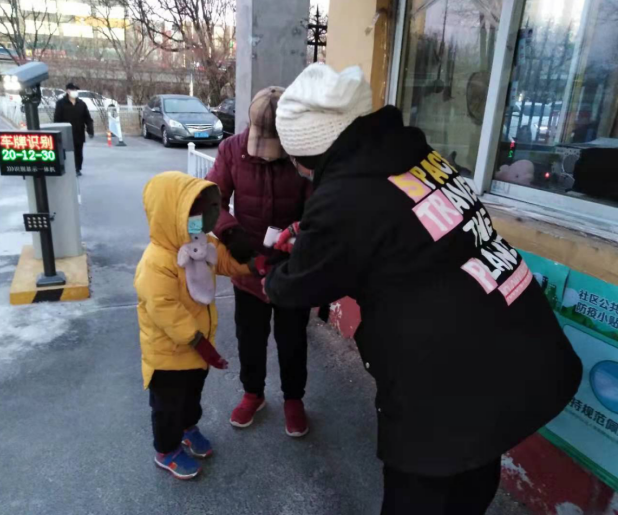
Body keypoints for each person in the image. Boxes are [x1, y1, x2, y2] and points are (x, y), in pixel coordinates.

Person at [265, 64, 583, 514]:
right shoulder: (415, 157)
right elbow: (396, 229)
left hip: (446, 383)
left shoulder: (343, 197)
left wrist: (270, 274)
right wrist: (315, 237)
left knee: (422, 493)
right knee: (475, 469)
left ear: (309, 154)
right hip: (515, 350)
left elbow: (298, 287)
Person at [205, 87, 313, 436]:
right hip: (248, 265)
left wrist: (301, 233)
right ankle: (253, 393)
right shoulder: (231, 149)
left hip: (292, 268)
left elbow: (320, 207)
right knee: (249, 338)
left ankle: (294, 399)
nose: (266, 155)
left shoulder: (305, 155)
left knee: (292, 340)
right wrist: (231, 234)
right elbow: (210, 200)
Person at [134, 171, 254, 480]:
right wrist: (197, 340)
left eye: (202, 214)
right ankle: (166, 450)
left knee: (191, 395)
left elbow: (223, 260)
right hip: (168, 354)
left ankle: (188, 428)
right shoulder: (157, 261)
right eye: (191, 215)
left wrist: (254, 265)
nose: (198, 222)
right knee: (167, 406)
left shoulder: (200, 242)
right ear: (170, 216)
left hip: (198, 348)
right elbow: (164, 308)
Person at [53, 82, 93, 176]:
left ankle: (77, 168)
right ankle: (69, 169)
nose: (75, 92)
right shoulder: (61, 103)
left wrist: (90, 130)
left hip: (79, 132)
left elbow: (87, 118)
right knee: (68, 152)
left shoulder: (81, 104)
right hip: (66, 133)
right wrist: (58, 132)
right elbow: (57, 119)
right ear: (67, 91)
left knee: (79, 152)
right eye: (73, 90)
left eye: (76, 90)